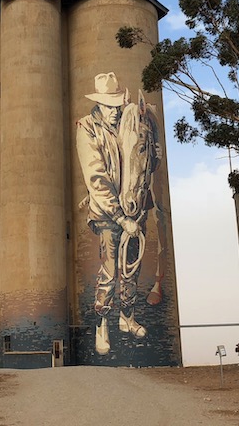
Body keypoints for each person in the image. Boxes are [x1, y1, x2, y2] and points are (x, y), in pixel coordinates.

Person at [76, 72, 147, 356]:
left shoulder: (128, 121)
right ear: (98, 104)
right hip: (107, 213)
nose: (113, 112)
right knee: (109, 269)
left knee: (132, 266)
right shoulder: (87, 128)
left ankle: (126, 316)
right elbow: (96, 177)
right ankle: (101, 323)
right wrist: (120, 218)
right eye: (108, 106)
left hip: (134, 207)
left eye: (117, 105)